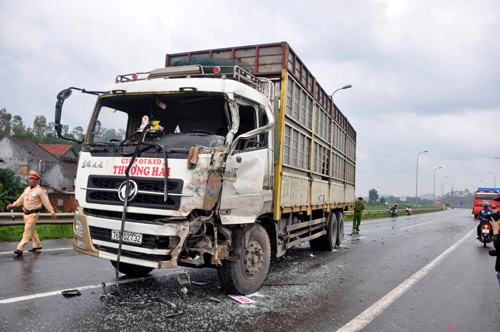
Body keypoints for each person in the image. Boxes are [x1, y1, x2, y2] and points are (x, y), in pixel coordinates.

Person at [7, 170, 56, 257]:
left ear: (37, 180)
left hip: (34, 214)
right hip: (26, 213)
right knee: (32, 230)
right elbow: (21, 199)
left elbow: (46, 201)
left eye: (32, 179)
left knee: (27, 231)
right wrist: (13, 205)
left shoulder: (41, 190)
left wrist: (51, 211)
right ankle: (37, 245)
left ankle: (20, 248)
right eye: (29, 179)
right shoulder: (27, 189)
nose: (30, 180)